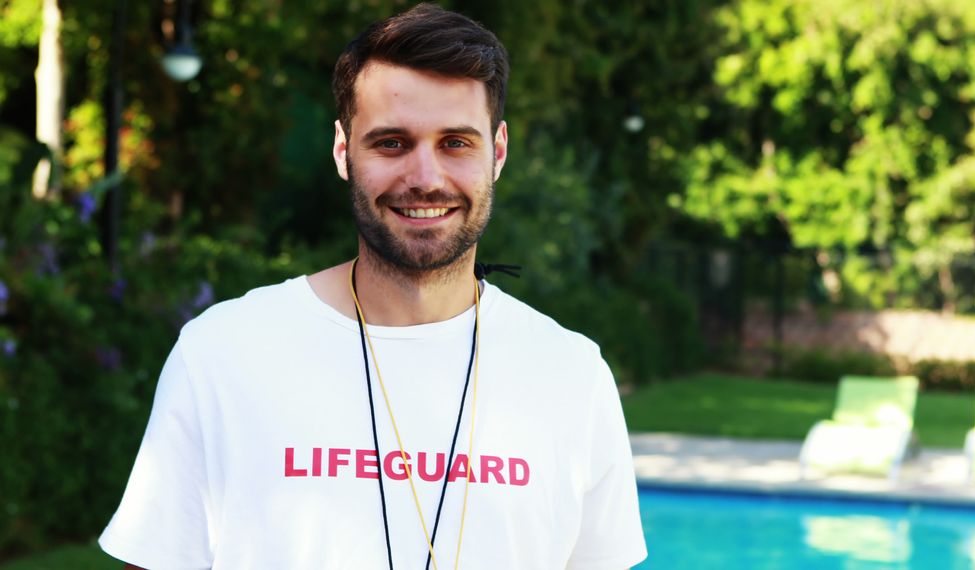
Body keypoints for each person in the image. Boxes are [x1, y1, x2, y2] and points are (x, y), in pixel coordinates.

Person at [98, 4, 647, 569]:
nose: (426, 178)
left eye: (456, 142)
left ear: (498, 152)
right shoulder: (222, 353)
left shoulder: (571, 376)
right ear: (343, 150)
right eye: (391, 143)